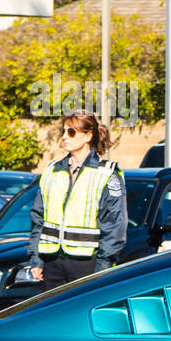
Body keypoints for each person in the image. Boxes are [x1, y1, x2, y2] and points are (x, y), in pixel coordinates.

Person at [27, 111, 127, 292]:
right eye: (63, 131)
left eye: (71, 132)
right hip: (52, 263)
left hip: (87, 264)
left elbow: (115, 224)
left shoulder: (106, 173)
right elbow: (38, 218)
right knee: (52, 316)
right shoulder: (52, 171)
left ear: (88, 135)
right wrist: (36, 258)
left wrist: (103, 266)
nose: (65, 137)